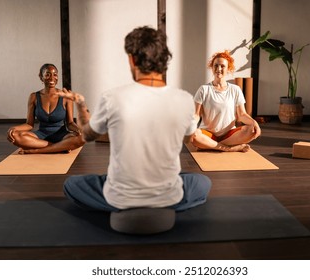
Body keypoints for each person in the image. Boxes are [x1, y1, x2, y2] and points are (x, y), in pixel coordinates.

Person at [57, 26, 211, 212]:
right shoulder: (185, 99)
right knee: (202, 182)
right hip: (169, 199)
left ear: (132, 58)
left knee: (72, 184)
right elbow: (188, 138)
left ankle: (121, 203)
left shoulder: (112, 97)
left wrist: (80, 104)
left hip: (119, 199)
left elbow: (88, 135)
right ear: (164, 60)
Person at [191, 50, 261, 152]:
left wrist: (255, 123)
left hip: (229, 135)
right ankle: (227, 148)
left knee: (251, 130)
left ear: (228, 68)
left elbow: (242, 115)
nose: (219, 69)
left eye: (222, 66)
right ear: (212, 67)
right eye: (216, 66)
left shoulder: (235, 89)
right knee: (194, 134)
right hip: (209, 134)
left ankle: (210, 145)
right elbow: (196, 114)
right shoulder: (203, 89)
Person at [7, 64, 85, 154]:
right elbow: (29, 124)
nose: (52, 78)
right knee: (14, 135)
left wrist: (78, 129)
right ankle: (60, 147)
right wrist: (13, 128)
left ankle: (36, 150)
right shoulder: (34, 97)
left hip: (62, 136)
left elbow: (70, 123)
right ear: (41, 77)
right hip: (41, 135)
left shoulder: (65, 97)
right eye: (47, 74)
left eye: (55, 74)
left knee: (82, 137)